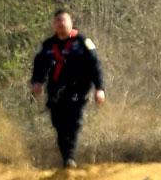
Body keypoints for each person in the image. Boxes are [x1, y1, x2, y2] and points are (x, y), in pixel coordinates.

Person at [30, 10, 106, 169]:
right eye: (57, 21)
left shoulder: (83, 42)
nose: (60, 23)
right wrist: (37, 82)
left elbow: (95, 66)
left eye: (63, 20)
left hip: (78, 91)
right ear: (53, 24)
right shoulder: (48, 45)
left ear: (71, 22)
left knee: (73, 123)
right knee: (59, 126)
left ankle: (69, 158)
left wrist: (99, 88)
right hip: (56, 93)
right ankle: (67, 158)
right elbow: (39, 66)